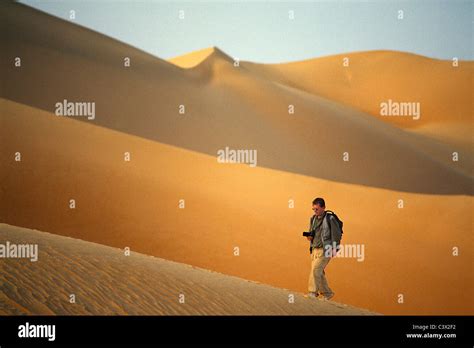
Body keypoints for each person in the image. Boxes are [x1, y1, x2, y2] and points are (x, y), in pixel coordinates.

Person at [306, 197, 340, 300]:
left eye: (317, 209)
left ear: (323, 207)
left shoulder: (330, 219)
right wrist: (310, 237)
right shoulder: (313, 219)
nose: (315, 211)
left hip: (326, 250)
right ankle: (327, 293)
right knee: (318, 272)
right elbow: (311, 232)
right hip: (314, 249)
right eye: (314, 209)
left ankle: (312, 292)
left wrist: (334, 249)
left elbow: (336, 235)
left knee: (315, 270)